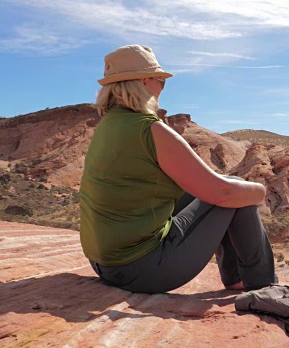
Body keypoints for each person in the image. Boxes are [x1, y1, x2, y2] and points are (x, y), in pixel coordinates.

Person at [79, 45, 276, 294]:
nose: (162, 87)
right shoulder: (149, 129)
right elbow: (223, 194)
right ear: (144, 82)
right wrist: (260, 191)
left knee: (224, 186)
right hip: (140, 270)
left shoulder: (109, 124)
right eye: (161, 81)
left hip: (104, 262)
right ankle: (263, 286)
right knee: (237, 191)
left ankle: (239, 278)